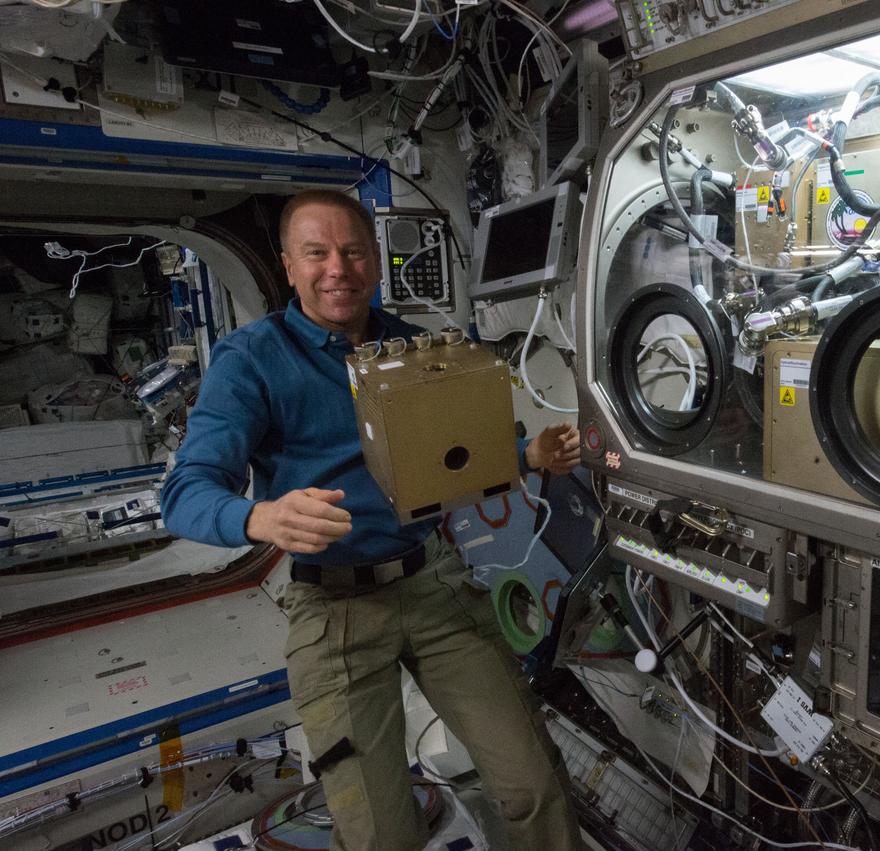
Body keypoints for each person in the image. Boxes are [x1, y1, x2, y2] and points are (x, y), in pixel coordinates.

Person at [161, 189, 584, 851]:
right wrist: (260, 516)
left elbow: (455, 462)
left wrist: (525, 456)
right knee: (381, 833)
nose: (338, 268)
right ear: (288, 266)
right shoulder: (252, 360)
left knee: (532, 782)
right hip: (334, 611)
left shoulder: (413, 347)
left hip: (434, 586)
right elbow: (184, 492)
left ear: (376, 264)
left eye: (353, 251)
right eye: (317, 253)